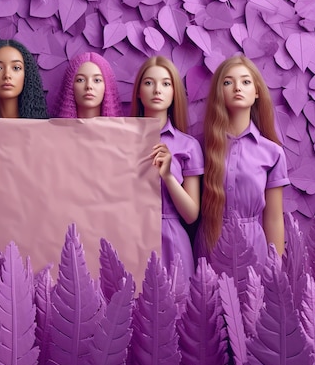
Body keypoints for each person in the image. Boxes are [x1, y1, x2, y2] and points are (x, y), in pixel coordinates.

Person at [197, 55, 288, 265]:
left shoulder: (272, 153)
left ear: (256, 92)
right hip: (210, 246)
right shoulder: (200, 148)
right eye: (228, 82)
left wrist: (276, 267)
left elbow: (274, 218)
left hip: (254, 250)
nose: (237, 87)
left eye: (245, 82)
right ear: (219, 92)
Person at [130, 56, 203, 278]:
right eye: (149, 83)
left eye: (166, 83)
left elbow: (191, 215)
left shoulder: (188, 146)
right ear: (139, 92)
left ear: (174, 94)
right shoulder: (122, 139)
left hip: (173, 242)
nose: (157, 90)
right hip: (132, 237)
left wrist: (169, 176)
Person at [52, 52, 122, 118]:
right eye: (81, 80)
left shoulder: (119, 130)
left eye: (97, 80)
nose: (89, 86)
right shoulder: (54, 130)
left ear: (107, 86)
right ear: (70, 86)